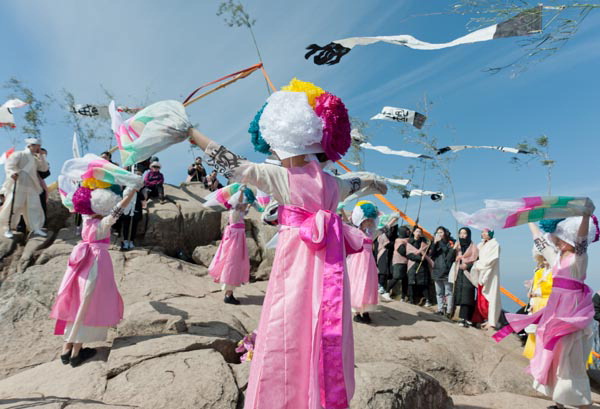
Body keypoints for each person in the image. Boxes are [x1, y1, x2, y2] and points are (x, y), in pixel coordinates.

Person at [187, 79, 387, 409]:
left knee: (287, 328)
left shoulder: (283, 177)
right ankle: (317, 396)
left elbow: (236, 166)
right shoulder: (334, 183)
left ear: (285, 140)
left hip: (296, 267)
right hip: (331, 269)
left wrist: (192, 134)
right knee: (324, 329)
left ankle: (283, 397)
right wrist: (377, 182)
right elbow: (358, 181)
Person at [493, 212, 597, 409]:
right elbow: (539, 241)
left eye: (559, 239)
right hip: (555, 312)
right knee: (553, 355)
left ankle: (582, 403)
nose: (555, 242)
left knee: (570, 358)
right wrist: (529, 221)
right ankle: (558, 403)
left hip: (572, 313)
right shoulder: (556, 257)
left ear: (568, 239)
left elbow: (582, 239)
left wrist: (585, 216)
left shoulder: (579, 258)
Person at [50, 186, 137, 367]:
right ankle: (76, 353)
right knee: (88, 303)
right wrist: (130, 194)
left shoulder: (86, 220)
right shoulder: (102, 224)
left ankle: (66, 349)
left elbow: (80, 207)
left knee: (76, 301)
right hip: (96, 264)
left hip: (80, 264)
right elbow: (117, 211)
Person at [208, 185, 253, 305]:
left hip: (235, 239)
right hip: (235, 242)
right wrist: (241, 193)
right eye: (243, 203)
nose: (245, 204)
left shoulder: (237, 212)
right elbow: (239, 203)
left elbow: (244, 207)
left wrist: (247, 201)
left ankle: (228, 292)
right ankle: (228, 294)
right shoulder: (235, 212)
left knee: (232, 263)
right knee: (232, 263)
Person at [0, 137, 49, 237]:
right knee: (14, 206)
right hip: (19, 183)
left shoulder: (36, 158)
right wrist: (12, 173)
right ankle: (7, 227)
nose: (37, 148)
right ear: (30, 145)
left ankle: (36, 227)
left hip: (31, 185)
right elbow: (9, 165)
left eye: (39, 146)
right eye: (36, 146)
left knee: (34, 206)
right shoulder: (19, 154)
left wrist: (42, 156)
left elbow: (44, 169)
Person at [347, 201, 380, 324]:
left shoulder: (370, 233)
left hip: (369, 260)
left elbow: (382, 229)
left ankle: (365, 311)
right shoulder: (354, 231)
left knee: (368, 284)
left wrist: (393, 219)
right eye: (368, 220)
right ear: (362, 220)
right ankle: (356, 312)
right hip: (357, 260)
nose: (370, 222)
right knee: (357, 283)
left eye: (371, 220)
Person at [523, 245, 554, 359]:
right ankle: (536, 355)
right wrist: (531, 303)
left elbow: (553, 289)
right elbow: (534, 288)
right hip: (537, 304)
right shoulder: (538, 272)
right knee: (535, 330)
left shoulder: (556, 272)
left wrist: (538, 293)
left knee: (546, 331)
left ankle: (545, 357)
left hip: (549, 304)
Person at [471, 229, 502, 330]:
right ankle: (482, 319)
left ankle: (492, 321)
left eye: (486, 232)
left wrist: (478, 265)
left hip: (490, 274)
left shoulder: (495, 244)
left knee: (491, 297)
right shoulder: (480, 245)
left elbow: (491, 261)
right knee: (481, 297)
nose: (483, 234)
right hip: (481, 272)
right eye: (482, 232)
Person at [450, 227, 479, 327]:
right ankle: (462, 317)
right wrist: (454, 249)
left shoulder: (473, 247)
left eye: (464, 233)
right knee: (460, 296)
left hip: (469, 274)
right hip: (459, 274)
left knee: (468, 296)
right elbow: (449, 258)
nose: (462, 235)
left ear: (469, 234)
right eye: (460, 233)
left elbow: (477, 260)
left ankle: (465, 318)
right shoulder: (457, 247)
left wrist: (468, 265)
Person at [429, 226, 456, 316]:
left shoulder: (450, 242)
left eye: (441, 232)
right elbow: (431, 254)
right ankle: (440, 309)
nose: (439, 234)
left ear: (445, 233)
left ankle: (449, 311)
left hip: (447, 270)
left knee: (448, 292)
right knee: (439, 292)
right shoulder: (435, 243)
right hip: (437, 269)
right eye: (437, 232)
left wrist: (440, 242)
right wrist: (434, 243)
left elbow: (449, 254)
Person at [382, 225, 410, 302]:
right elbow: (402, 251)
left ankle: (403, 297)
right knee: (396, 277)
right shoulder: (399, 241)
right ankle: (386, 291)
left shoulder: (407, 240)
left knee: (405, 280)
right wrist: (412, 253)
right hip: (399, 262)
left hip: (406, 262)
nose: (408, 232)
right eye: (406, 231)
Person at [406, 226, 433, 306]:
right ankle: (411, 299)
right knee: (411, 282)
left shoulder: (424, 243)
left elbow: (427, 253)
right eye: (417, 231)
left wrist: (423, 257)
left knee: (423, 283)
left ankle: (428, 300)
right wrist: (418, 257)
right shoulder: (409, 242)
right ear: (413, 232)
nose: (418, 233)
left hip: (422, 265)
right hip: (412, 264)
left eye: (420, 232)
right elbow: (409, 254)